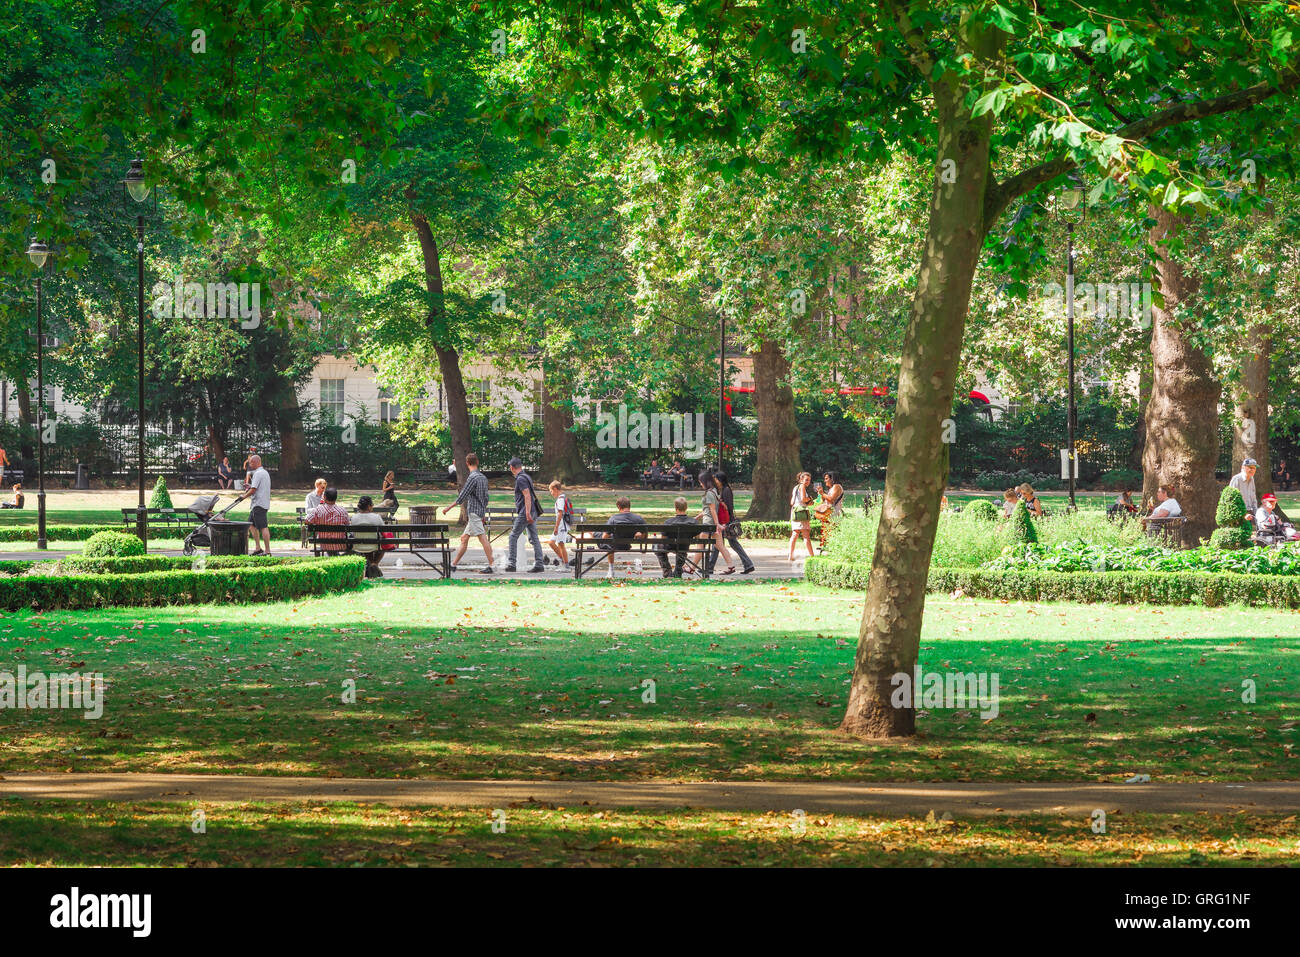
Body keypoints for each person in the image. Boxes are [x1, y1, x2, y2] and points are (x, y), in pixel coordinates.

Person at [442, 452, 494, 573]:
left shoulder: (472, 478)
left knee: (483, 539)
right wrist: (483, 513)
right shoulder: (483, 477)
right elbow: (486, 498)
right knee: (464, 538)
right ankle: (453, 565)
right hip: (479, 512)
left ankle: (492, 565)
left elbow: (462, 496)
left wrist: (448, 508)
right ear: (478, 462)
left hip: (474, 513)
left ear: (467, 463)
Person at [708, 471, 754, 574]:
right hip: (724, 521)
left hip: (727, 522)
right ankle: (710, 567)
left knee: (725, 544)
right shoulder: (722, 490)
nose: (714, 481)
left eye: (715, 479)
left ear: (720, 480)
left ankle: (748, 564)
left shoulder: (726, 490)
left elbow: (728, 507)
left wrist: (720, 503)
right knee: (718, 544)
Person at [505, 457, 545, 573]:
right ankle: (539, 564)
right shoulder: (527, 476)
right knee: (534, 537)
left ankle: (512, 563)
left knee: (513, 536)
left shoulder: (520, 479)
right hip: (532, 510)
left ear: (512, 468)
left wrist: (527, 513)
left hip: (525, 511)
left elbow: (527, 495)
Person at [598, 496, 648, 579]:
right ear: (629, 506)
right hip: (627, 545)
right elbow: (645, 534)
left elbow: (604, 537)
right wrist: (639, 536)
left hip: (614, 545)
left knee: (600, 536)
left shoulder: (613, 519)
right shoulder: (638, 519)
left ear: (618, 506)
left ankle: (611, 570)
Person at [699, 468, 736, 574]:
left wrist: (716, 524)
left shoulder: (709, 493)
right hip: (713, 523)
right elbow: (709, 509)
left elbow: (712, 510)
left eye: (701, 482)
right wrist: (698, 517)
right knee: (720, 546)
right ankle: (731, 566)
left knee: (700, 546)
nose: (700, 484)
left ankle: (690, 568)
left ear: (705, 482)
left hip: (709, 524)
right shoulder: (715, 491)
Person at [236, 454, 273, 555]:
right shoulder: (264, 473)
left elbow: (253, 490)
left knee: (263, 527)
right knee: (251, 525)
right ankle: (258, 548)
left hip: (258, 504)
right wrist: (250, 485)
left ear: (257, 462)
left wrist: (243, 496)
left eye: (251, 462)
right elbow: (256, 486)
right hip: (261, 503)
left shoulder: (257, 473)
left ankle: (268, 551)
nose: (250, 464)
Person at [656, 496, 702, 578]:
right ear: (686, 508)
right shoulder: (693, 522)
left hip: (670, 546)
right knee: (682, 548)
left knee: (656, 546)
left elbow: (663, 539)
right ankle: (678, 571)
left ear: (676, 508)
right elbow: (697, 539)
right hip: (684, 547)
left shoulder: (668, 522)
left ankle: (667, 572)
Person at [304, 485, 349, 553]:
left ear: (324, 497)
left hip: (324, 545)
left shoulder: (317, 510)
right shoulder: (343, 511)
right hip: (340, 544)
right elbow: (347, 525)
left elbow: (307, 521)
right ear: (336, 498)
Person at [350, 495, 386, 577]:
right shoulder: (376, 517)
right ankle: (374, 564)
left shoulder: (354, 518)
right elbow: (384, 531)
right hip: (375, 546)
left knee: (365, 542)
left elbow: (352, 533)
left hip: (358, 546)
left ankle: (370, 566)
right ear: (369, 506)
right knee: (383, 543)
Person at [788, 471, 815, 561]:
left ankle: (790, 555)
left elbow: (792, 502)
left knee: (795, 534)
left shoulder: (795, 488)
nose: (808, 482)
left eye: (809, 480)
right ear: (801, 479)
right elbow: (803, 499)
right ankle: (812, 556)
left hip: (795, 511)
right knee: (806, 535)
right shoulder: (802, 486)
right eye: (806, 480)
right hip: (802, 512)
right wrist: (810, 500)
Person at [547, 480, 573, 567]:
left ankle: (566, 565)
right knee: (551, 542)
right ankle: (562, 560)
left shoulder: (561, 499)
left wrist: (556, 527)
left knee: (561, 544)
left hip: (562, 525)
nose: (551, 493)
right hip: (561, 525)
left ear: (555, 489)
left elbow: (560, 514)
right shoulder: (561, 498)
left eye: (551, 491)